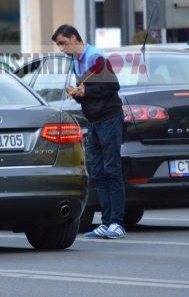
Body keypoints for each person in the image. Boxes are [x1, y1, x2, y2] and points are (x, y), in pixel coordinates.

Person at [51, 24, 126, 239]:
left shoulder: (95, 57)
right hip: (94, 121)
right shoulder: (75, 60)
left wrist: (86, 90)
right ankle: (106, 222)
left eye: (63, 43)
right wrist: (77, 93)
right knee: (98, 172)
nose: (61, 49)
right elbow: (90, 90)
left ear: (74, 37)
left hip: (109, 119)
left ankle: (117, 223)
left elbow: (112, 86)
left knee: (112, 169)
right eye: (58, 45)